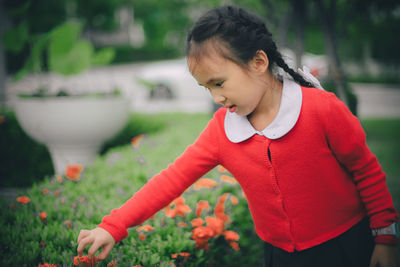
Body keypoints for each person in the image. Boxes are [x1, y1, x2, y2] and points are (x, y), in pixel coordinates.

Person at [77, 5, 398, 267]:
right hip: (279, 255)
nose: (216, 97)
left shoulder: (321, 109)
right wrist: (113, 226)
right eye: (206, 88)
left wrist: (385, 238)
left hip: (346, 245)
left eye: (219, 83)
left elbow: (365, 170)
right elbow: (170, 180)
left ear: (259, 62)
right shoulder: (221, 130)